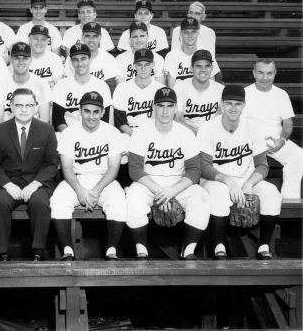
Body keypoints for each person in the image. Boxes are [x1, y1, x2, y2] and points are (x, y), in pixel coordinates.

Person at [197, 85, 281, 260]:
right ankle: (219, 245)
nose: (233, 108)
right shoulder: (207, 128)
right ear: (221, 105)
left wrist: (250, 183)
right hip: (214, 179)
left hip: (245, 178)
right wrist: (228, 181)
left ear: (244, 106)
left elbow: (262, 165)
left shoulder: (253, 128)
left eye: (238, 104)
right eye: (229, 103)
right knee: (219, 194)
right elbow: (203, 166)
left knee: (271, 192)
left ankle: (263, 245)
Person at [126, 87, 210, 260]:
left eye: (169, 106)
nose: (165, 111)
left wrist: (172, 191)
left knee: (201, 197)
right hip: (148, 182)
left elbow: (194, 170)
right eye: (161, 106)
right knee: (133, 198)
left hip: (178, 182)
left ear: (176, 108)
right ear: (153, 107)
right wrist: (159, 191)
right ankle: (141, 250)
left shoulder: (185, 133)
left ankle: (188, 250)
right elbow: (134, 169)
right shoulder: (141, 132)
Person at [50, 91, 127, 260]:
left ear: (102, 112)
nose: (91, 116)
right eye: (87, 111)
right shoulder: (69, 133)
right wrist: (80, 190)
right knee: (58, 201)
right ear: (80, 111)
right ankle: (68, 250)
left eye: (96, 111)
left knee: (119, 202)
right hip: (76, 178)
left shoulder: (112, 132)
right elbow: (67, 168)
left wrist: (96, 191)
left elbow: (114, 168)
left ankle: (111, 250)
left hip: (104, 179)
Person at [0, 88, 59, 261]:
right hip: (8, 182)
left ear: (35, 107)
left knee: (40, 203)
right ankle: (2, 251)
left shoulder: (47, 130)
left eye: (29, 105)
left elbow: (51, 163)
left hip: (37, 182)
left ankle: (38, 251)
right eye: (19, 105)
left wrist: (35, 184)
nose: (24, 109)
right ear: (10, 106)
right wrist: (7, 184)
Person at [244, 59, 303, 198]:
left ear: (275, 73)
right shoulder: (245, 93)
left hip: (274, 140)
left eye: (269, 73)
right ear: (254, 73)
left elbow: (287, 123)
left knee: (298, 155)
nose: (265, 77)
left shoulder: (281, 94)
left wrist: (281, 140)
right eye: (261, 73)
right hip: (249, 141)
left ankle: (290, 198)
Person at [52, 44, 112, 133]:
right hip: (67, 134)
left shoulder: (102, 86)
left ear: (90, 60)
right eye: (75, 60)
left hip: (95, 134)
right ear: (71, 62)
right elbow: (57, 120)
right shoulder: (61, 85)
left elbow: (105, 118)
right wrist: (73, 135)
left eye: (83, 59)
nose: (80, 64)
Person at [0, 42, 51, 124]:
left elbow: (44, 120)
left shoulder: (42, 84)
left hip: (35, 131)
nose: (21, 62)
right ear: (11, 60)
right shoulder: (0, 84)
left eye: (25, 58)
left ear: (30, 60)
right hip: (7, 131)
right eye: (17, 58)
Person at [113, 49, 164, 136]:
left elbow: (163, 120)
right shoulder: (121, 89)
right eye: (139, 65)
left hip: (154, 134)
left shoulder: (160, 89)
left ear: (153, 65)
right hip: (130, 134)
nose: (143, 69)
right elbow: (120, 123)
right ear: (134, 66)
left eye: (147, 64)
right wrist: (136, 137)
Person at [174, 49, 224, 134]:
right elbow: (177, 119)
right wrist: (195, 132)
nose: (203, 70)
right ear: (191, 68)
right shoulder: (179, 89)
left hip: (213, 134)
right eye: (199, 66)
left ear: (212, 68)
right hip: (186, 134)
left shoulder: (221, 90)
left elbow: (223, 118)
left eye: (207, 66)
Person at [65, 22, 120, 94]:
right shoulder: (72, 58)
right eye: (87, 36)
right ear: (82, 37)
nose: (91, 39)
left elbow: (110, 88)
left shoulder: (108, 59)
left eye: (95, 36)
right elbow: (68, 84)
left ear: (100, 37)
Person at [165, 18, 220, 88]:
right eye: (186, 32)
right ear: (181, 33)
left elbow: (212, 83)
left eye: (193, 32)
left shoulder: (206, 53)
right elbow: (171, 86)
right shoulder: (171, 56)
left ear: (198, 33)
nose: (190, 35)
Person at [25, 25, 64, 89]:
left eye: (43, 39)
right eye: (35, 38)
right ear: (29, 39)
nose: (39, 42)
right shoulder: (21, 58)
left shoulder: (55, 59)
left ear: (48, 41)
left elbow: (59, 87)